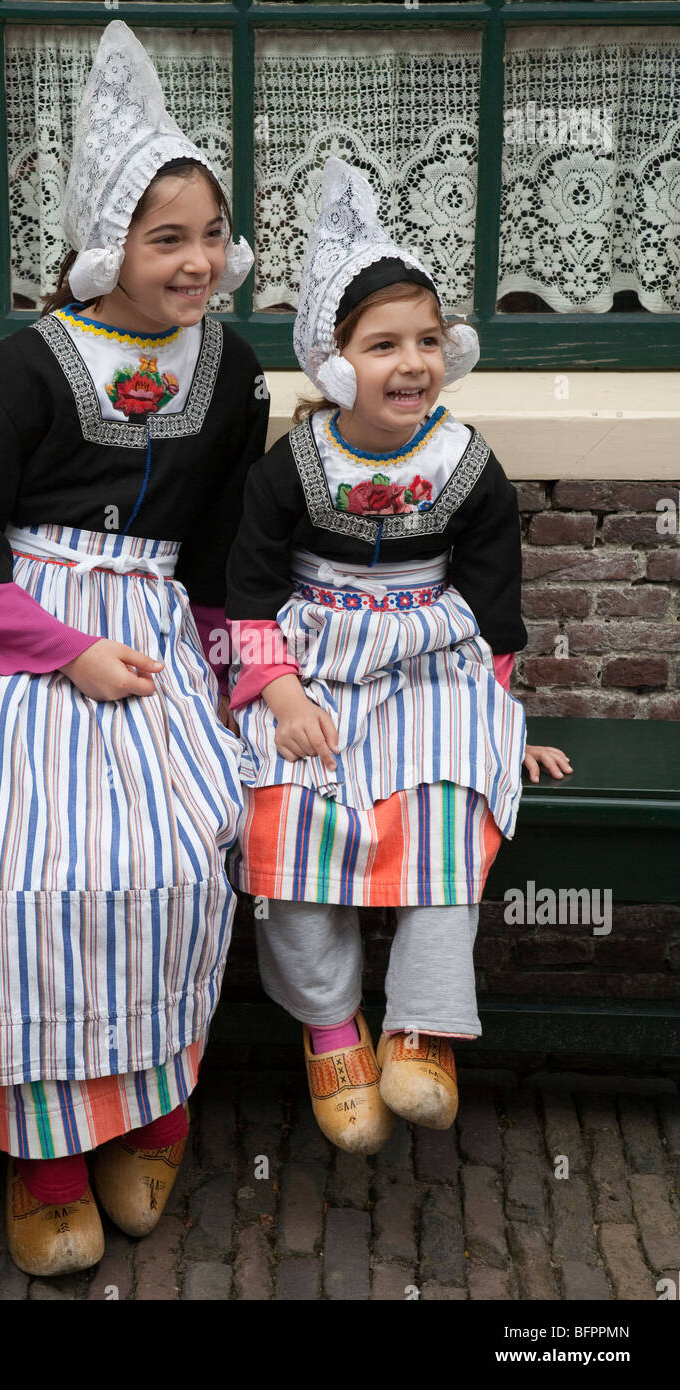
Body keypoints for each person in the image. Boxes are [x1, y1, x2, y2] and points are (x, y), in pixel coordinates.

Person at [0, 21, 268, 1277]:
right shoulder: (11, 377)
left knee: (172, 859)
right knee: (16, 875)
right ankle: (42, 1157)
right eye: (166, 239)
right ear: (107, 245)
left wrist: (236, 665)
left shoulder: (235, 374)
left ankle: (151, 1110)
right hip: (20, 649)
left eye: (208, 235)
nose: (197, 262)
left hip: (154, 645)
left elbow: (219, 552)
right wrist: (64, 655)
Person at [225, 158, 571, 1154]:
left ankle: (420, 1028)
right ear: (333, 364)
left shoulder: (462, 463)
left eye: (425, 340)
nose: (410, 363)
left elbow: (492, 597)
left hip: (430, 654)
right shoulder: (289, 468)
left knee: (447, 814)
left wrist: (500, 721)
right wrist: (279, 691)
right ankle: (331, 1026)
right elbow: (248, 590)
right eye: (382, 345)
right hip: (314, 659)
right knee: (284, 828)